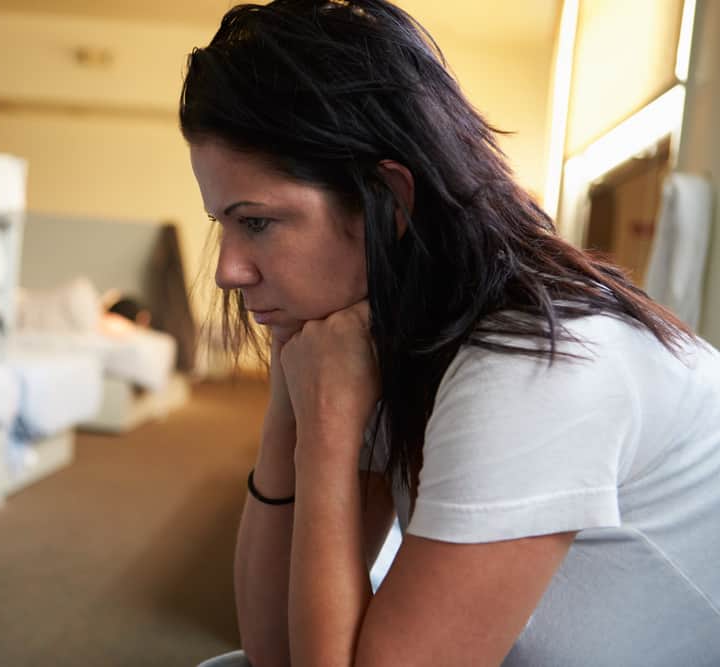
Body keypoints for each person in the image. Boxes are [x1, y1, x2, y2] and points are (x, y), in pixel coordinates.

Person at [181, 1, 720, 666]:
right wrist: (289, 404)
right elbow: (274, 652)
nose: (229, 270)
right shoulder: (397, 329)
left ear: (392, 201)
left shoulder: (532, 365)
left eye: (256, 221)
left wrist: (328, 425)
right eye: (222, 224)